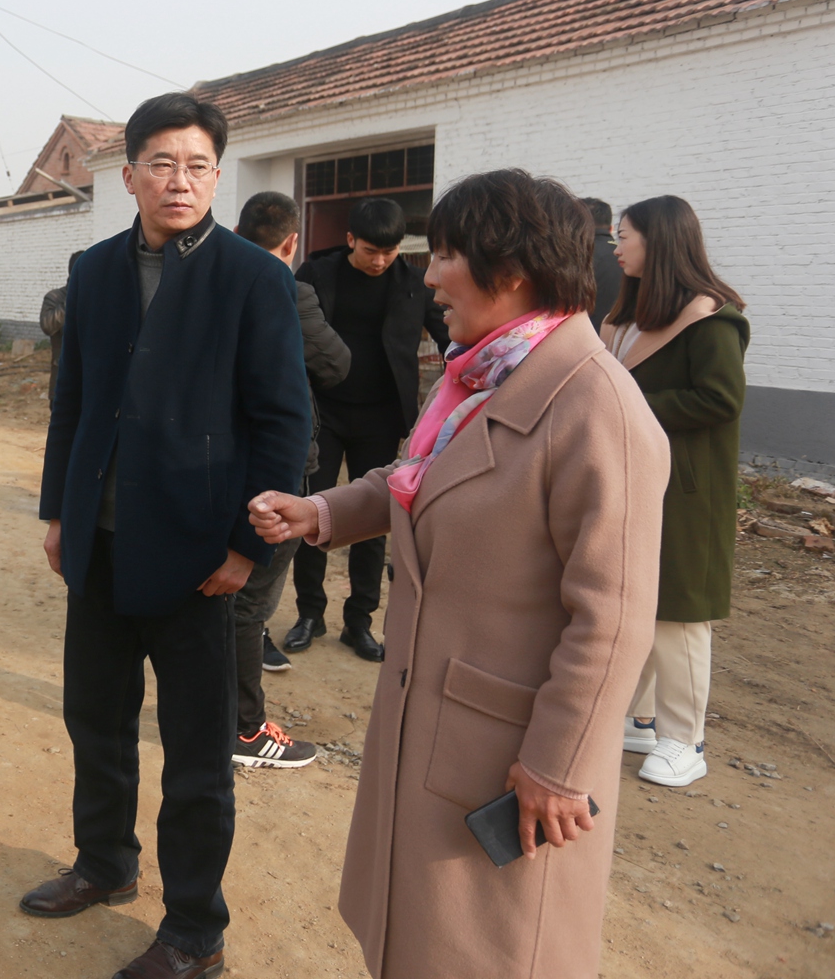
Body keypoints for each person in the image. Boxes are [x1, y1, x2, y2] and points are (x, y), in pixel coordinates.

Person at [249, 169, 668, 979]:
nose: (430, 277)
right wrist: (321, 512)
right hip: (438, 715)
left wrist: (557, 766)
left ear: (509, 271)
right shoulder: (481, 374)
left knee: (490, 950)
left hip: (509, 747)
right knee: (421, 937)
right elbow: (415, 478)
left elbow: (613, 619)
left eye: (444, 256)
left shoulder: (597, 411)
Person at [23, 94, 309, 979]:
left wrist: (247, 549)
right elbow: (73, 401)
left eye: (196, 166)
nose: (178, 181)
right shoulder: (95, 271)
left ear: (218, 178)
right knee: (94, 720)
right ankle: (104, 863)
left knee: (195, 753)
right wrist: (59, 513)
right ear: (129, 177)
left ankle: (193, 930)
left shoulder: (252, 278)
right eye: (161, 164)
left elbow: (283, 425)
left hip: (198, 557)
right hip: (101, 544)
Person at [602, 196, 748, 788]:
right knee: (636, 603)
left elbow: (720, 399)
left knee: (680, 615)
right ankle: (640, 719)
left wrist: (627, 406)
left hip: (687, 492)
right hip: (634, 478)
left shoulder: (710, 318)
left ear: (658, 241)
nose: (616, 246)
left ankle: (685, 739)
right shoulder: (629, 314)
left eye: (624, 235)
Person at [287, 197, 449, 662]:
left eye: (390, 252)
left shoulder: (415, 284)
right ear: (350, 240)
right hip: (323, 414)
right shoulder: (317, 275)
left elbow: (450, 337)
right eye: (370, 251)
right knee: (312, 510)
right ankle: (309, 614)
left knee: (371, 522)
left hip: (381, 417)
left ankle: (358, 621)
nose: (380, 261)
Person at [230, 191, 351, 768]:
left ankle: (210, 710)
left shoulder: (203, 281)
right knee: (247, 604)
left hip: (211, 464)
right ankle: (244, 730)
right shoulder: (286, 288)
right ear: (292, 242)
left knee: (219, 594)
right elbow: (335, 363)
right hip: (274, 469)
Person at [40, 250, 83, 395]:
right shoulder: (55, 297)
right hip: (63, 381)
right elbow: (47, 326)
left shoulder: (96, 298)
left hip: (91, 382)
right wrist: (73, 297)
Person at [582, 198, 622, 331]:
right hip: (623, 336)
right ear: (611, 228)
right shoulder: (629, 257)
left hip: (587, 337)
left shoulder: (573, 258)